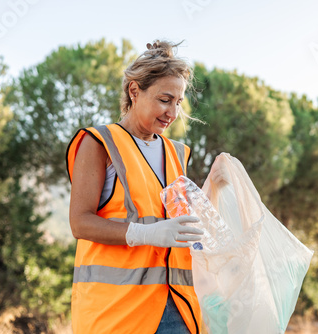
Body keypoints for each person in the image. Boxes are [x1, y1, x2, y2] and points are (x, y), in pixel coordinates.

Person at [66, 40, 206, 334]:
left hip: (179, 308)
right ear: (134, 91)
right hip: (116, 314)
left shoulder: (177, 153)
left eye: (178, 103)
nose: (173, 113)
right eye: (165, 100)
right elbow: (80, 222)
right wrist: (145, 234)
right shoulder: (99, 143)